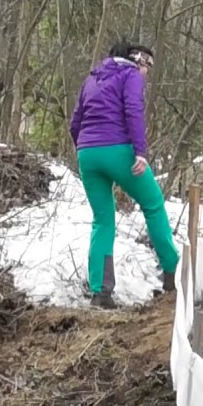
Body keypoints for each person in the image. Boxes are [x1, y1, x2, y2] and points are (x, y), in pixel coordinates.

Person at [69, 40, 179, 309]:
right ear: (137, 59)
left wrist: (84, 148)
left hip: (87, 152)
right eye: (147, 65)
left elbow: (75, 121)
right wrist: (140, 151)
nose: (147, 73)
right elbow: (133, 110)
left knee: (103, 220)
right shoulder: (129, 75)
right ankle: (174, 276)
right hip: (119, 149)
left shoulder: (92, 79)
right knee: (153, 204)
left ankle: (100, 292)